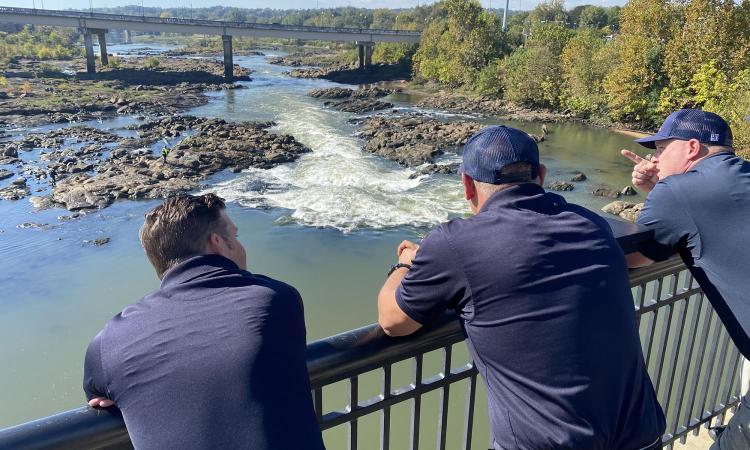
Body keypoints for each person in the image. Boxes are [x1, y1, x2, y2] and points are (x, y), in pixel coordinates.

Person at [378, 125, 665, 450]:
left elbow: (394, 321)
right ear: (541, 175)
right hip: (641, 436)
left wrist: (404, 264)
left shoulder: (455, 244)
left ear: (467, 184)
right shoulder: (592, 223)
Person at [83, 193, 325, 450]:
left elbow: (97, 393)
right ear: (218, 244)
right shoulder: (275, 299)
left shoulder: (109, 341)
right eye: (236, 236)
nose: (241, 247)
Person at [621, 109, 750, 449]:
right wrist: (661, 187)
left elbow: (634, 257)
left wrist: (662, 190)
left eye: (662, 148)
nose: (655, 157)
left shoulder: (680, 192)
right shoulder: (741, 176)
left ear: (692, 147)